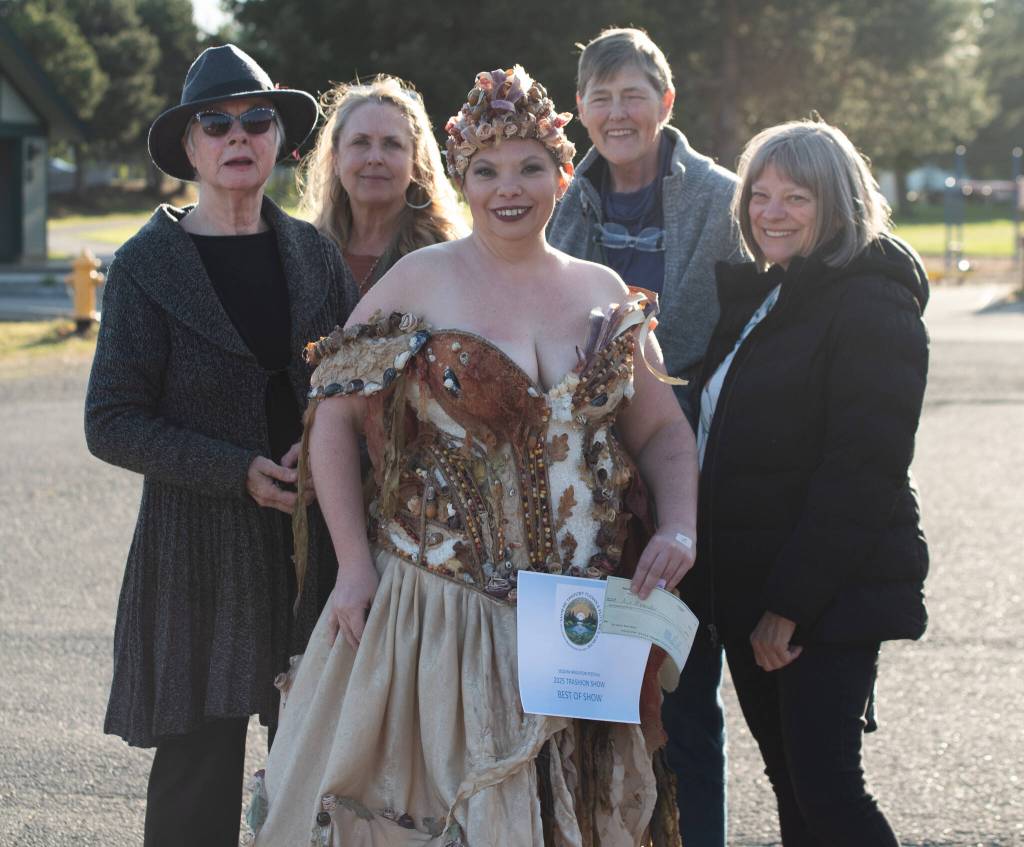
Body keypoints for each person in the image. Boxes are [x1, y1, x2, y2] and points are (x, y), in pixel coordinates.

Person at [250, 65, 699, 846]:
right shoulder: (420, 280)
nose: (508, 189)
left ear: (563, 173)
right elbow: (332, 419)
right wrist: (354, 566)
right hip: (437, 618)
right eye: (485, 170)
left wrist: (680, 528)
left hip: (577, 622)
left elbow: (661, 431)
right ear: (461, 177)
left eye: (529, 166)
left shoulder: (602, 291)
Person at [84, 44, 359, 847]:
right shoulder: (144, 267)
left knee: (319, 777)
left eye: (257, 120)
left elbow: (353, 392)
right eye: (217, 122)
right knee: (194, 788)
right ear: (191, 148)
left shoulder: (316, 255)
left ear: (279, 141)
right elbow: (111, 421)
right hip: (196, 556)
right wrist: (234, 470)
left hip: (311, 554)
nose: (238, 135)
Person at [693, 119, 929, 846]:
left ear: (839, 203)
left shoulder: (870, 302)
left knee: (830, 796)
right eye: (760, 194)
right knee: (795, 792)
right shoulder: (772, 295)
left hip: (820, 597)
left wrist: (789, 607)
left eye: (796, 196)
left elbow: (863, 472)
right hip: (755, 587)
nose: (770, 211)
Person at [547, 26, 743, 845]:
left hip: (691, 464)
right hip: (585, 488)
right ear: (581, 112)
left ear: (666, 103)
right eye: (601, 97)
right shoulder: (556, 200)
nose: (617, 112)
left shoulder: (724, 197)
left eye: (634, 95)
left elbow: (722, 335)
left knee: (684, 691)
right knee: (585, 688)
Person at [297, 74, 465, 296]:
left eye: (392, 144)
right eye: (360, 142)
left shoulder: (448, 256)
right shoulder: (304, 253)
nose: (375, 158)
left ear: (416, 161)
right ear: (336, 159)